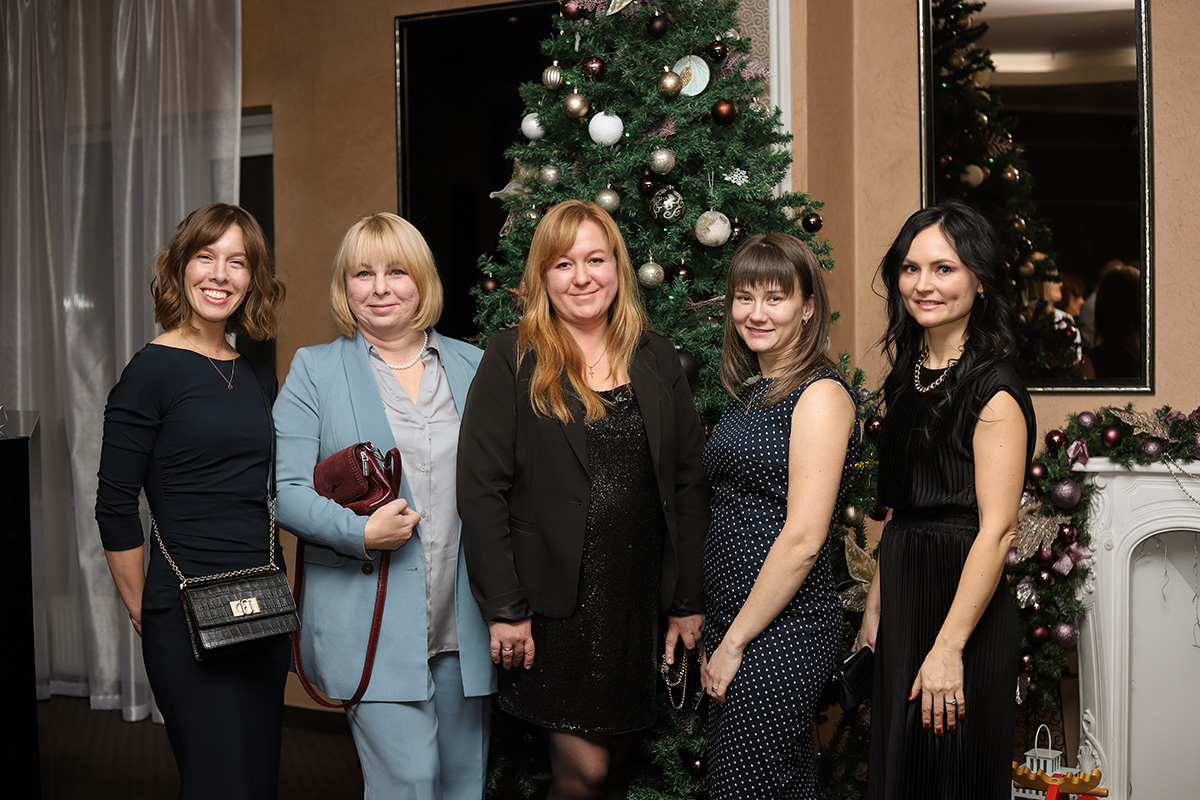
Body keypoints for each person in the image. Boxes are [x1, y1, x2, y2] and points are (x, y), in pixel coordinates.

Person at [457, 199, 709, 800]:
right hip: (550, 609)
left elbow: (687, 483)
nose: (582, 277)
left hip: (634, 605)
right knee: (585, 773)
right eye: (563, 264)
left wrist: (686, 600)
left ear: (617, 266)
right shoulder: (512, 355)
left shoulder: (655, 356)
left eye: (596, 260)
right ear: (542, 276)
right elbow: (481, 490)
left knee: (616, 772)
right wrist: (505, 608)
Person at [273, 213, 494, 798]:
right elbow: (284, 491)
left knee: (462, 786)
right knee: (410, 785)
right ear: (344, 286)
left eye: (396, 271)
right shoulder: (315, 371)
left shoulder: (474, 365)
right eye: (362, 274)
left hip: (464, 621)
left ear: (422, 280)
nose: (379, 288)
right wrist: (360, 531)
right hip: (369, 622)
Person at [96, 202, 288, 799]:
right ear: (181, 267)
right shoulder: (150, 372)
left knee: (257, 779)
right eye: (206, 256)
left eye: (238, 262)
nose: (220, 275)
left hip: (261, 609)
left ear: (253, 277)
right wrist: (143, 610)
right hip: (182, 613)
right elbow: (113, 504)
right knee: (218, 781)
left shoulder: (258, 376)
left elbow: (267, 496)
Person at [858, 201, 1036, 799]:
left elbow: (999, 530)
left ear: (979, 279)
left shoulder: (995, 388)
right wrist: (876, 609)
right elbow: (903, 511)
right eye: (911, 268)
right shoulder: (906, 375)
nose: (923, 284)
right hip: (905, 593)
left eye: (944, 268)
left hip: (963, 609)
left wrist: (948, 648)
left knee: (951, 777)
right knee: (901, 775)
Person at [701, 233, 860, 799]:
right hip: (735, 617)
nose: (757, 313)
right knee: (776, 785)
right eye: (745, 298)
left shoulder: (819, 394)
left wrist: (735, 642)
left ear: (808, 306)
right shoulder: (753, 391)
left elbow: (804, 539)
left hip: (782, 629)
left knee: (744, 787)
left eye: (775, 298)